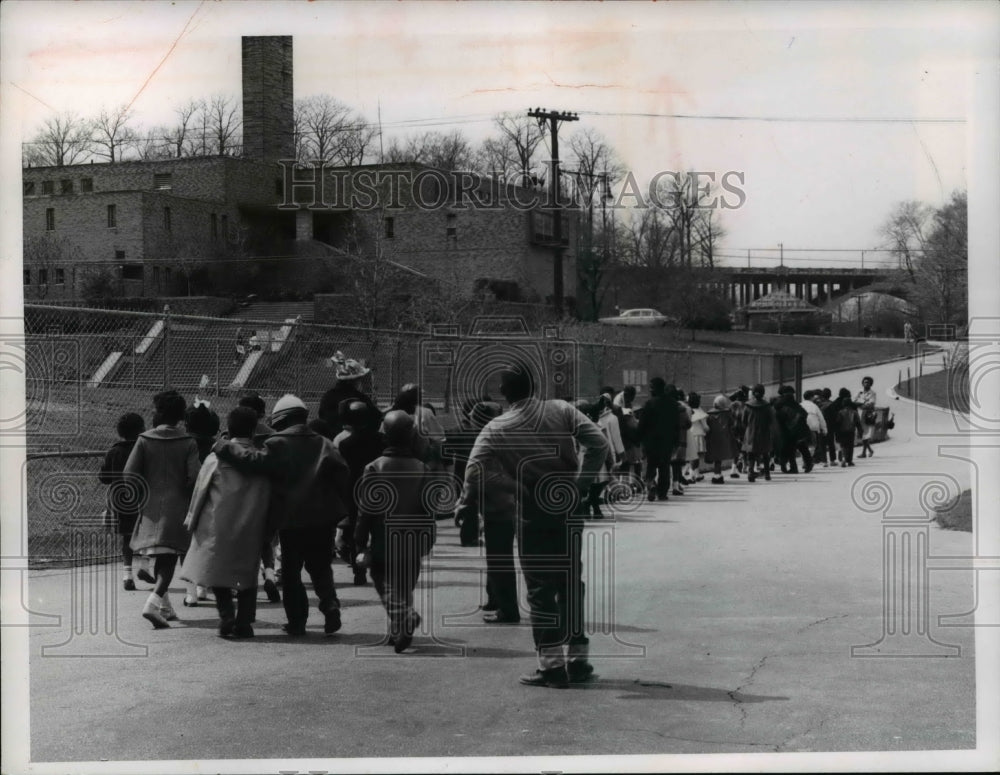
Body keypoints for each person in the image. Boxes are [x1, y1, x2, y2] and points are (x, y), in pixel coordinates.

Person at [460, 363, 608, 688]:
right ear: (534, 387)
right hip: (568, 506)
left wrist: (509, 486)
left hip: (532, 510)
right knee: (570, 580)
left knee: (541, 588)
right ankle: (578, 661)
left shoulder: (497, 427)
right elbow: (599, 444)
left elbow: (473, 471)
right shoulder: (562, 409)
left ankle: (552, 667)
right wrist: (580, 484)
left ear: (505, 394)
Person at [213, 394, 352, 637]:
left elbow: (252, 460)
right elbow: (343, 474)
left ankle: (297, 622)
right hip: (323, 519)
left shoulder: (277, 443)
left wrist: (224, 446)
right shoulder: (324, 443)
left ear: (281, 419)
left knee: (291, 572)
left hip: (291, 519)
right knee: (320, 567)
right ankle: (329, 603)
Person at [179, 407, 271, 639]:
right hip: (251, 524)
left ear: (228, 429)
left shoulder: (215, 458)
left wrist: (191, 518)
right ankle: (245, 621)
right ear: (253, 429)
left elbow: (200, 491)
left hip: (217, 523)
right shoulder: (262, 460)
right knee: (248, 573)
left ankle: (226, 614)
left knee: (217, 572)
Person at [355, 410, 437, 653]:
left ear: (385, 437)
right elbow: (429, 509)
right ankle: (399, 630)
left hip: (383, 541)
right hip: (414, 541)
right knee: (403, 587)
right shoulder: (422, 468)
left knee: (384, 583)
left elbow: (366, 510)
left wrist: (359, 542)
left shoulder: (374, 467)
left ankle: (404, 618)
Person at [125, 390, 201, 628]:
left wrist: (141, 496)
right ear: (181, 415)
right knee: (168, 563)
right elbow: (195, 477)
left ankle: (166, 608)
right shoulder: (188, 441)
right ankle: (153, 603)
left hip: (149, 509)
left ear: (158, 412)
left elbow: (129, 474)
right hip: (177, 509)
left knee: (161, 558)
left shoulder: (144, 439)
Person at [453, 401, 519, 623]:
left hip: (496, 505)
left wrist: (462, 504)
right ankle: (495, 598)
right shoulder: (505, 436)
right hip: (506, 503)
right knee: (498, 555)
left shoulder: (486, 439)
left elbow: (473, 476)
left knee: (499, 557)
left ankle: (507, 609)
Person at [335, 400, 388, 584]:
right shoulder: (381, 441)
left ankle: (359, 571)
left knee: (353, 531)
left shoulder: (345, 444)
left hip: (353, 489)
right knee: (377, 528)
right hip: (377, 488)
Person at [236, 392, 280, 603]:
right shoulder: (272, 435)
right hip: (267, 494)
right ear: (262, 413)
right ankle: (270, 573)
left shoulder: (234, 436)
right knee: (266, 540)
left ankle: (239, 582)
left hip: (240, 494)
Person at [99, 412, 147, 591]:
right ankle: (145, 565)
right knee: (145, 533)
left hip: (121, 500)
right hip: (142, 497)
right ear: (141, 429)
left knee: (127, 537)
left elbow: (104, 477)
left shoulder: (114, 451)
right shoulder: (143, 449)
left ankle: (127, 574)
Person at [446, 400, 503, 547]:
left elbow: (444, 443)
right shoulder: (491, 433)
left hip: (462, 476)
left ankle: (470, 536)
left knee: (470, 509)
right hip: (483, 476)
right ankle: (474, 536)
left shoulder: (460, 430)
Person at [638, 378, 680, 502]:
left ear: (656, 388)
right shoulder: (673, 404)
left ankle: (651, 484)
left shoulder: (649, 404)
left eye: (651, 387)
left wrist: (639, 439)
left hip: (651, 441)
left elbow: (642, 424)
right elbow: (676, 424)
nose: (650, 390)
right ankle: (662, 493)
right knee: (664, 467)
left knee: (651, 465)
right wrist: (676, 441)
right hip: (667, 441)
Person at [318, 351, 379, 436]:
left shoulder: (327, 397)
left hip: (331, 439)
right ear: (356, 380)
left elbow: (322, 419)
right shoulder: (361, 398)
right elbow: (376, 419)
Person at [590, 393, 624, 519]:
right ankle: (592, 503)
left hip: (584, 460)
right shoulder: (611, 419)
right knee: (602, 481)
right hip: (602, 458)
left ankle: (592, 505)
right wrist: (620, 455)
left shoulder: (582, 425)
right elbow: (615, 440)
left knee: (592, 483)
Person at [774, 386, 814, 474]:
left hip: (787, 429)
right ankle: (809, 463)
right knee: (802, 447)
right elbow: (805, 414)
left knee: (790, 449)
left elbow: (778, 417)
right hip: (800, 428)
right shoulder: (795, 403)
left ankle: (793, 467)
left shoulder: (779, 404)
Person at [742, 384, 776, 482]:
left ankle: (750, 472)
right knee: (765, 453)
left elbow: (744, 420)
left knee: (751, 453)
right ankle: (767, 474)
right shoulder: (767, 406)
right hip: (764, 432)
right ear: (763, 393)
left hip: (751, 432)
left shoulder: (748, 406)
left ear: (753, 393)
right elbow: (771, 420)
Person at [704, 395, 736, 485]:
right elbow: (732, 424)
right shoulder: (726, 414)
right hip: (723, 438)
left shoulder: (709, 414)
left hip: (712, 438)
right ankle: (717, 475)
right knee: (719, 457)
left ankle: (717, 474)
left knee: (716, 457)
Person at [834, 388, 863, 467]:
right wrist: (860, 431)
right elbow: (858, 423)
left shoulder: (840, 412)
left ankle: (843, 458)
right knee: (850, 446)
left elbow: (838, 422)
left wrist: (836, 432)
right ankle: (849, 461)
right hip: (851, 431)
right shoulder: (854, 412)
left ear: (843, 404)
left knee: (843, 445)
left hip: (842, 431)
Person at [685, 392, 708, 483]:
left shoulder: (687, 411)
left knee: (692, 456)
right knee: (696, 456)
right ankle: (692, 474)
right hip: (698, 436)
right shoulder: (700, 413)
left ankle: (696, 473)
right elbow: (705, 427)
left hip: (689, 435)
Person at [802, 390, 829, 467]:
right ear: (811, 397)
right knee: (812, 446)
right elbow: (821, 419)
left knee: (803, 446)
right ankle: (809, 460)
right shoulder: (814, 406)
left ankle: (805, 461)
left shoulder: (800, 405)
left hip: (802, 429)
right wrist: (824, 429)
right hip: (813, 428)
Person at [856, 376, 878, 458]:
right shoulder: (860, 392)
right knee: (862, 433)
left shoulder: (872, 393)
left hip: (867, 415)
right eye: (865, 382)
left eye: (868, 382)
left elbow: (871, 403)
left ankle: (864, 452)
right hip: (859, 414)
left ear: (871, 384)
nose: (866, 384)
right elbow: (854, 400)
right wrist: (863, 403)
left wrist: (861, 403)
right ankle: (869, 450)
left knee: (865, 433)